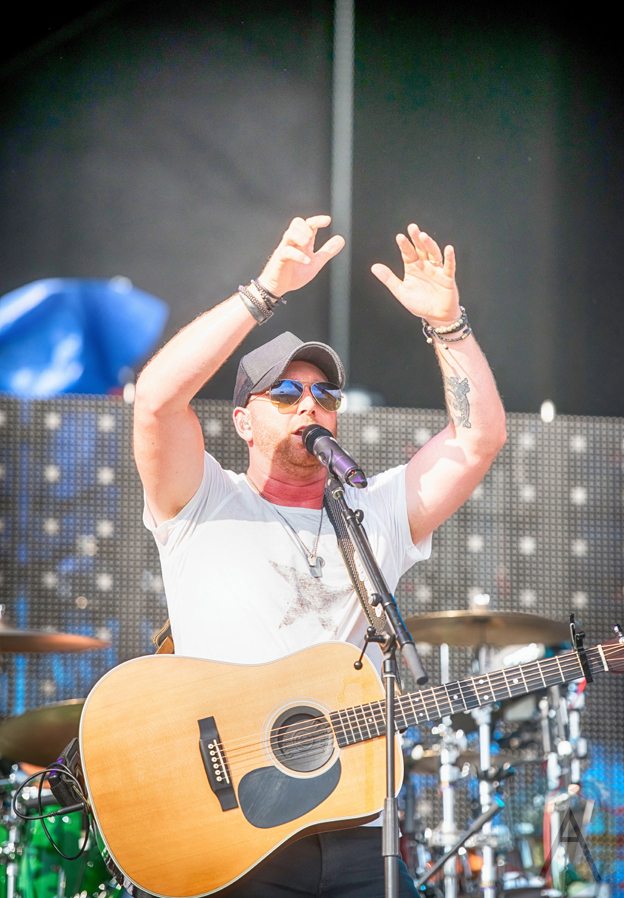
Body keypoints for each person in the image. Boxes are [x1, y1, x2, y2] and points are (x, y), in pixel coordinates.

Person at [133, 214, 506, 896]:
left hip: (355, 827)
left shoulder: (373, 511)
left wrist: (447, 325)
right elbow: (157, 403)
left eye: (325, 394)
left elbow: (477, 441)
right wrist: (265, 290)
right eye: (285, 392)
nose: (310, 404)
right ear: (243, 420)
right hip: (232, 833)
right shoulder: (203, 500)